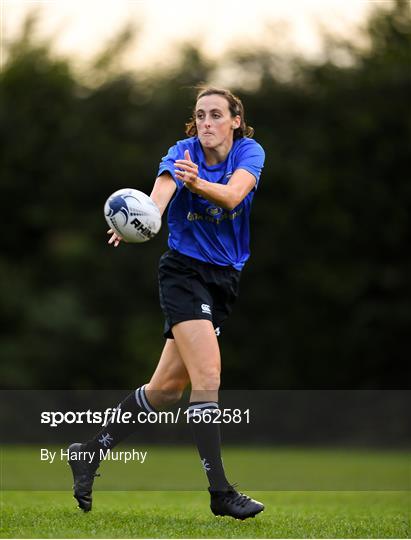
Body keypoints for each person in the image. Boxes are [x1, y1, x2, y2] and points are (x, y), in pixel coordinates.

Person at [68, 86, 265, 520]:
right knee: (208, 375)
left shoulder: (250, 152)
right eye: (200, 115)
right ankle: (220, 491)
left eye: (216, 114)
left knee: (164, 391)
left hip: (223, 280)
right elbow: (158, 197)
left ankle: (87, 452)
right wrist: (140, 218)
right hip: (183, 274)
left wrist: (198, 183)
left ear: (235, 120)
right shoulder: (182, 152)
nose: (206, 123)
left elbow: (234, 195)